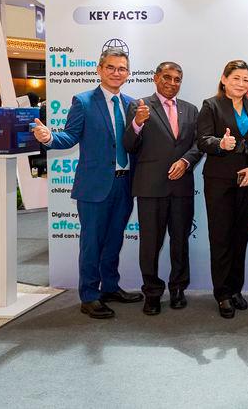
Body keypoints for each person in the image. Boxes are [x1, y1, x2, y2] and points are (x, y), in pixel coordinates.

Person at [32, 47, 143, 319]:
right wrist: (48, 138)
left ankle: (111, 287)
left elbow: (136, 143)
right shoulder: (83, 101)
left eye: (122, 69)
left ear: (128, 73)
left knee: (114, 240)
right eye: (111, 68)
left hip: (125, 184)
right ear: (99, 69)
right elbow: (69, 137)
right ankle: (90, 295)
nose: (117, 73)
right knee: (92, 242)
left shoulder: (132, 104)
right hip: (94, 186)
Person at [122, 61, 202, 316]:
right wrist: (137, 123)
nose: (172, 83)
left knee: (180, 242)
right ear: (156, 78)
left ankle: (178, 288)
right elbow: (128, 145)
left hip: (182, 187)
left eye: (177, 79)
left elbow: (198, 144)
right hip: (151, 188)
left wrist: (186, 161)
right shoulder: (139, 106)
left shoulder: (191, 110)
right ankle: (152, 293)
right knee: (150, 244)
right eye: (166, 77)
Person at [198, 60, 248, 319]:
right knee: (221, 238)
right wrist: (221, 143)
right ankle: (222, 294)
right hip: (219, 182)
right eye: (236, 78)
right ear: (224, 79)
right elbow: (203, 141)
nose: (241, 84)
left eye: (245, 79)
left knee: (240, 237)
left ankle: (236, 289)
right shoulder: (211, 105)